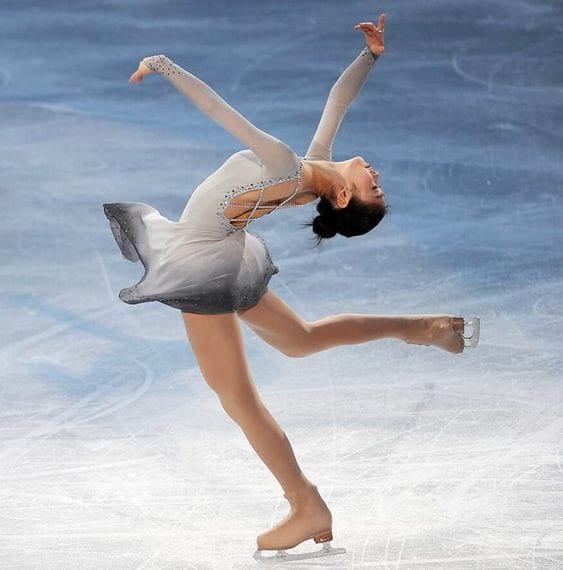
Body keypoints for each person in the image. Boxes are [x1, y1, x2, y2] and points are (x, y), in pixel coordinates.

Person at [103, 12, 479, 563]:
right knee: (300, 339)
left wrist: (160, 64)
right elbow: (338, 101)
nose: (375, 172)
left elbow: (219, 110)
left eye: (373, 185)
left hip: (203, 261)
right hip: (223, 250)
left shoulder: (287, 166)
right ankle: (421, 327)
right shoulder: (308, 172)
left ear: (345, 199)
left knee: (238, 399)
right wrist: (371, 55)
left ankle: (305, 504)